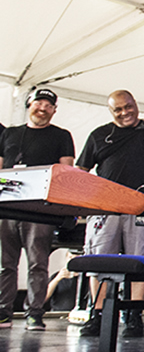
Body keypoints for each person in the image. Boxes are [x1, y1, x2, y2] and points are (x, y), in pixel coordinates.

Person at [75, 90, 144, 337]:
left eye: (128, 106)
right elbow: (80, 170)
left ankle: (135, 315)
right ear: (111, 112)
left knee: (141, 259)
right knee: (99, 259)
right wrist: (87, 200)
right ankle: (97, 314)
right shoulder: (99, 135)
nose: (125, 113)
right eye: (118, 110)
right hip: (106, 207)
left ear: (136, 104)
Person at [0, 88, 76, 330]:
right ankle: (3, 312)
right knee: (5, 263)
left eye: (48, 105)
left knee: (37, 263)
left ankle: (34, 313)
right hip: (8, 207)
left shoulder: (61, 135)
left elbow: (67, 171)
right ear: (29, 105)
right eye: (38, 103)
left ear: (54, 110)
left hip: (40, 209)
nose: (42, 108)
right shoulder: (9, 133)